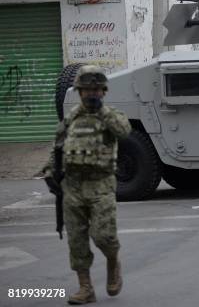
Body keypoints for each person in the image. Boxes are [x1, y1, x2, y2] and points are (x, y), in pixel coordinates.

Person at [44, 65, 131, 305]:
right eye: (86, 90)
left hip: (100, 185)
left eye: (96, 90)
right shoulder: (71, 117)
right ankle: (85, 288)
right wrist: (51, 171)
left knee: (104, 236)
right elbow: (58, 146)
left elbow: (124, 132)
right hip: (72, 187)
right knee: (77, 240)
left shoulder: (111, 115)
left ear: (103, 91)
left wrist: (103, 112)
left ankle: (113, 263)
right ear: (79, 91)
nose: (91, 94)